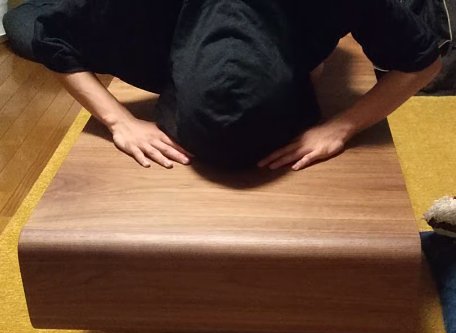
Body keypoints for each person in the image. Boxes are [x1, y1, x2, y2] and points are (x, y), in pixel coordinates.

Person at [3, 0, 443, 170]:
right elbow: (31, 26)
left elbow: (423, 62)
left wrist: (340, 126)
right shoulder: (140, 17)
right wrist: (118, 120)